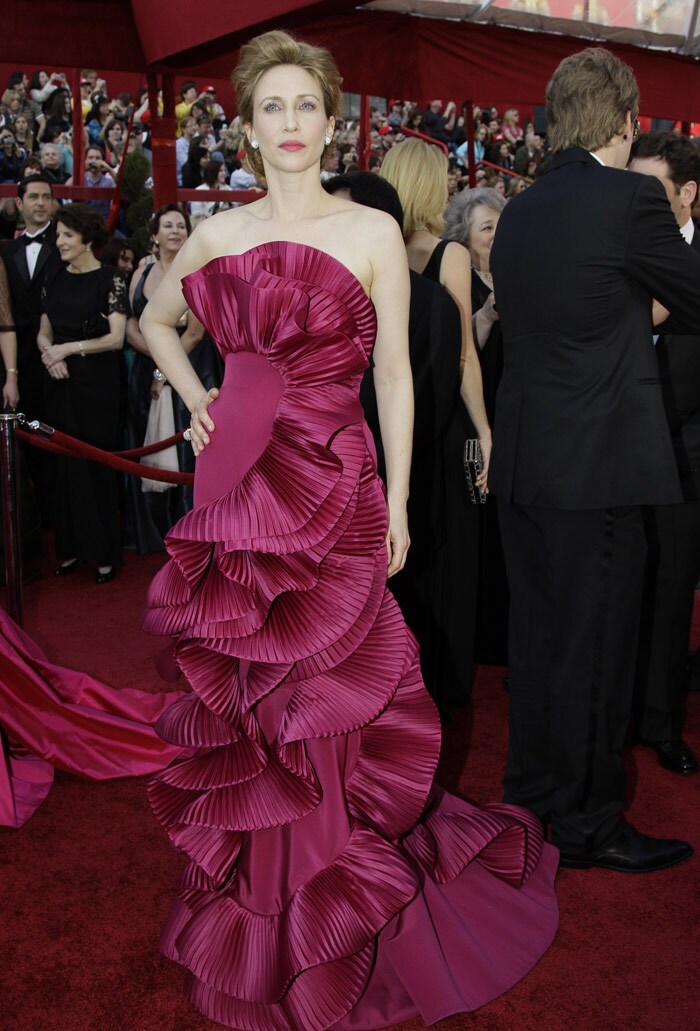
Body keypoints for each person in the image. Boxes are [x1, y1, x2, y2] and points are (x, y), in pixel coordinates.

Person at [140, 30, 557, 1030]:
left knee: (328, 689)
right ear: (244, 127)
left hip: (333, 479)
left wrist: (403, 499)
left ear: (332, 121)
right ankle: (261, 893)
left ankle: (324, 896)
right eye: (271, 107)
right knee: (253, 684)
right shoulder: (219, 234)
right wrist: (196, 395)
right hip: (235, 474)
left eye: (305, 106)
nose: (289, 124)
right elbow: (156, 317)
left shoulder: (368, 231)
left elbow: (396, 378)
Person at [489, 47, 700, 873]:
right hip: (600, 471)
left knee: (539, 642)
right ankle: (588, 822)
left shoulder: (523, 207)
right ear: (625, 120)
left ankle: (536, 795)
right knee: (598, 643)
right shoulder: (630, 199)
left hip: (527, 467)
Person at [379, 138, 491, 710]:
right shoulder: (447, 253)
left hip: (385, 422)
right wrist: (485, 429)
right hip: (439, 425)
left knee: (397, 552)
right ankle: (439, 685)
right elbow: (463, 352)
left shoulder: (372, 245)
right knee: (442, 552)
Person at [628, 130, 700, 776]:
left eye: (652, 191)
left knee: (673, 591)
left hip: (685, 458)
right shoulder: (612, 254)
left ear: (688, 195)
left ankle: (660, 719)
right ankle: (613, 712)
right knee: (616, 587)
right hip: (613, 454)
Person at [37, 204, 127, 583]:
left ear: (87, 240)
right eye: (58, 236)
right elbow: (43, 329)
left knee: (97, 468)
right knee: (65, 468)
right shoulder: (54, 277)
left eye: (67, 236)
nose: (59, 242)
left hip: (99, 387)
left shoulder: (111, 279)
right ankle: (71, 549)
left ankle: (105, 552)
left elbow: (116, 338)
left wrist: (67, 349)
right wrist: (48, 354)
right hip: (58, 383)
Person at [124, 204, 218, 553]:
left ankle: (189, 531)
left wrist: (162, 372)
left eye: (181, 225)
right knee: (143, 445)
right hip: (143, 370)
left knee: (187, 451)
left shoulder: (197, 271)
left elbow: (193, 334)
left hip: (188, 371)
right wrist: (147, 351)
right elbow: (133, 322)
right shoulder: (141, 272)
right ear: (154, 234)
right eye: (168, 225)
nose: (176, 231)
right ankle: (148, 531)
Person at [444, 186, 509, 665]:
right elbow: (465, 355)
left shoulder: (518, 275)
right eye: (487, 227)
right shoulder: (462, 283)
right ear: (463, 240)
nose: (497, 236)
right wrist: (488, 312)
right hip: (472, 425)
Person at [0, 174, 62, 519]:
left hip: (59, 359)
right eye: (34, 197)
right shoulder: (7, 253)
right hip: (18, 361)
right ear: (19, 203)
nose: (41, 202)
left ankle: (62, 513)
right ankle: (38, 516)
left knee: (61, 437)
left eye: (46, 197)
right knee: (27, 440)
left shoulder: (68, 241)